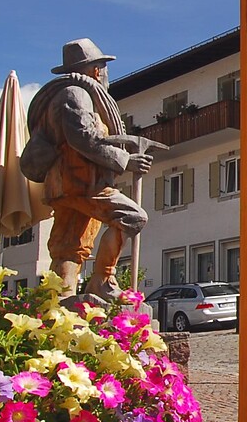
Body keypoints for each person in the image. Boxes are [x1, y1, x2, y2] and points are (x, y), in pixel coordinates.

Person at [20, 38, 153, 300]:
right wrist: (125, 160)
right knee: (132, 217)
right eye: (104, 67)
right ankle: (102, 281)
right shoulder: (75, 94)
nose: (106, 74)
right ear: (95, 70)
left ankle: (59, 301)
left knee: (70, 245)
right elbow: (83, 138)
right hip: (81, 183)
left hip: (68, 184)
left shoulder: (64, 95)